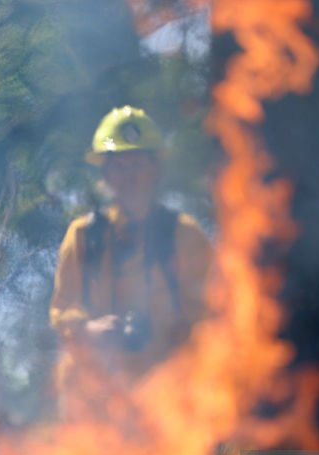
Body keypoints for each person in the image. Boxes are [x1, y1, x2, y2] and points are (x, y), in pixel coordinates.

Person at [49, 105, 211, 414]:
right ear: (105, 173)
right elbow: (62, 310)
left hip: (172, 404)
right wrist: (90, 330)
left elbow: (214, 316)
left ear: (155, 168)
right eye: (118, 165)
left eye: (136, 163)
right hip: (98, 405)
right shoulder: (83, 236)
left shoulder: (186, 236)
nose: (128, 175)